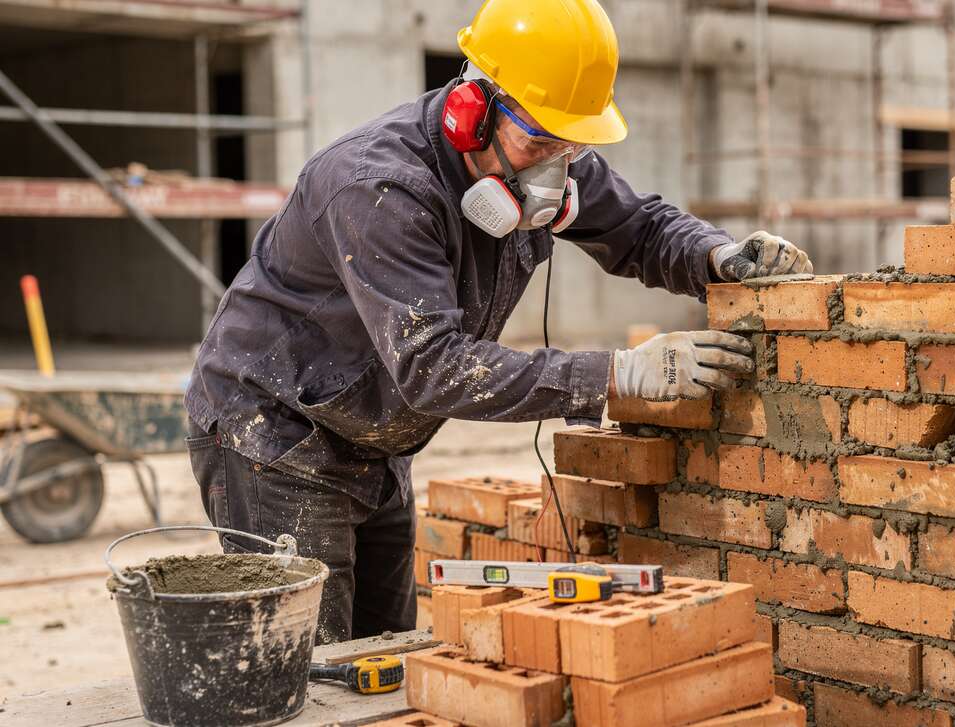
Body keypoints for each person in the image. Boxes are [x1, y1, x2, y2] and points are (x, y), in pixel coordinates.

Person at [184, 0, 813, 643]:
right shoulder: (378, 188)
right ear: (471, 112)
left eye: (571, 143)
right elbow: (433, 366)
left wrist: (717, 256)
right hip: (276, 430)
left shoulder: (550, 148)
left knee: (383, 655)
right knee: (313, 669)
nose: (555, 170)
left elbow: (641, 228)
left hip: (372, 430)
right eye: (539, 141)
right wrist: (616, 374)